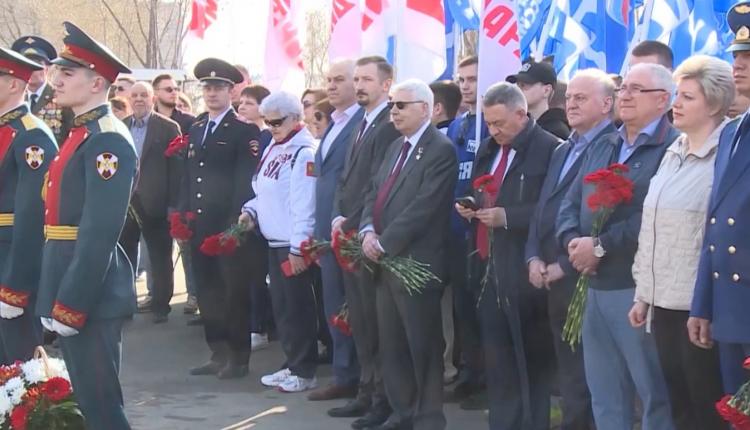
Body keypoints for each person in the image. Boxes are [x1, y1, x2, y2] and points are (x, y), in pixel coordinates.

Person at [556, 63, 679, 430]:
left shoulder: (670, 147)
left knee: (652, 391)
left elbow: (652, 216)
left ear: (662, 101)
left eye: (634, 89)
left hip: (634, 285)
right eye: (623, 87)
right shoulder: (605, 142)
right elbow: (570, 200)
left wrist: (601, 246)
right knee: (604, 391)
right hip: (592, 283)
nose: (624, 95)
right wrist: (573, 243)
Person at [35, 21, 136, 430]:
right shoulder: (81, 131)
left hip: (90, 291)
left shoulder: (106, 138)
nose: (55, 80)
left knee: (102, 408)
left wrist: (71, 303)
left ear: (97, 84)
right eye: (57, 71)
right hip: (68, 277)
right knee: (89, 402)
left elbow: (99, 231)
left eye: (68, 73)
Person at [627, 55, 734, 430]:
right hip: (662, 302)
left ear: (716, 104)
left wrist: (703, 305)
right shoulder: (673, 153)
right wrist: (644, 293)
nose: (677, 104)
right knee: (680, 407)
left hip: (698, 308)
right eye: (677, 95)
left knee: (708, 409)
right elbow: (652, 227)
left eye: (688, 97)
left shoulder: (727, 159)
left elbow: (714, 238)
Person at [455, 82, 557, 430]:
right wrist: (471, 204)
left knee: (529, 363)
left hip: (524, 271)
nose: (494, 131)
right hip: (487, 267)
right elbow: (481, 187)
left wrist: (508, 217)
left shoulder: (548, 149)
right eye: (489, 124)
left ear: (521, 113)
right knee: (497, 361)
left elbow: (552, 210)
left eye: (500, 123)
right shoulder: (489, 147)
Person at [360, 79, 457, 430]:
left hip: (417, 262)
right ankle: (403, 413)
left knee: (423, 345)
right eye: (391, 105)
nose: (394, 111)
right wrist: (367, 231)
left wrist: (385, 242)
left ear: (426, 109)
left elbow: (425, 207)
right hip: (385, 263)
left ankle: (429, 417)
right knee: (393, 344)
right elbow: (374, 192)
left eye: (402, 105)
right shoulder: (394, 147)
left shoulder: (439, 149)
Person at [526, 68, 616, 430]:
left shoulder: (611, 146)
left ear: (607, 103)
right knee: (568, 372)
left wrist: (565, 263)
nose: (571, 104)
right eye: (570, 97)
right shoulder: (565, 149)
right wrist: (533, 255)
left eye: (581, 98)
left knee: (591, 374)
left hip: (584, 275)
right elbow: (544, 207)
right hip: (552, 275)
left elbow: (602, 217)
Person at [180, 58, 265, 380]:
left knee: (233, 293)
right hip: (201, 224)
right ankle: (217, 351)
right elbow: (190, 174)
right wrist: (184, 212)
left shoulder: (243, 130)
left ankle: (238, 357)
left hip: (229, 225)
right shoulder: (198, 127)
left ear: (231, 92)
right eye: (207, 87)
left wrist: (234, 225)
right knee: (207, 291)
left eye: (219, 88)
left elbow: (246, 181)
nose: (212, 93)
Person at [328, 55, 400, 429]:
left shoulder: (388, 125)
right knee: (359, 318)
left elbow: (377, 183)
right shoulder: (360, 123)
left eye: (367, 80)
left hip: (368, 235)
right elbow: (346, 177)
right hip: (349, 232)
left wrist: (352, 219)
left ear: (386, 85)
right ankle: (365, 391)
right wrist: (339, 214)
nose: (359, 86)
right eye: (356, 79)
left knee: (375, 323)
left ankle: (382, 399)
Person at [689, 1, 750, 397]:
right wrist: (703, 304)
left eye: (749, 56)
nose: (739, 63)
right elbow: (717, 222)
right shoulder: (731, 132)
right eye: (737, 54)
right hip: (731, 308)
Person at [240, 91, 319, 393]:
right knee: (283, 308)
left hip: (290, 242)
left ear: (296, 118)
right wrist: (251, 210)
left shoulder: (304, 152)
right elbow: (264, 190)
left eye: (278, 121)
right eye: (268, 121)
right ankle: (291, 362)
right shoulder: (274, 146)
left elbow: (304, 203)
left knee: (298, 307)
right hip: (272, 239)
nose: (272, 127)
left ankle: (304, 369)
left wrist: (300, 247)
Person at [309, 58, 364, 402]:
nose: (331, 85)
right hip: (326, 233)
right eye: (328, 79)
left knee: (354, 307)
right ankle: (344, 373)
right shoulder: (334, 123)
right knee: (334, 305)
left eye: (339, 79)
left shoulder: (363, 122)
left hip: (349, 230)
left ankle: (358, 377)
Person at [0, 48, 58, 364]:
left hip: (9, 261)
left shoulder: (31, 135)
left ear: (13, 84)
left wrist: (15, 285)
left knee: (18, 365)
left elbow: (31, 216)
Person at [445, 55, 489, 409]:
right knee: (462, 308)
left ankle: (485, 378)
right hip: (455, 229)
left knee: (482, 307)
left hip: (484, 231)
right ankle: (467, 371)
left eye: (473, 79)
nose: (466, 85)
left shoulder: (490, 123)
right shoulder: (460, 123)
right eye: (462, 79)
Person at [118, 82, 182, 324]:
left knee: (159, 256)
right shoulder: (121, 126)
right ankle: (125, 304)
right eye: (134, 95)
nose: (138, 99)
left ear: (152, 98)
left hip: (156, 202)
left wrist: (173, 206)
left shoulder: (168, 128)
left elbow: (177, 170)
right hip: (126, 202)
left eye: (143, 95)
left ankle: (161, 306)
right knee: (124, 257)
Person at [429, 78, 462, 385]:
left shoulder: (447, 140)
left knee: (446, 308)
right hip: (434, 238)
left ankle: (447, 365)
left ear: (435, 107)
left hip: (449, 235)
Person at [236, 83, 273, 350]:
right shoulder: (242, 134)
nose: (242, 106)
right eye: (242, 102)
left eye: (249, 103)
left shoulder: (268, 137)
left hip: (263, 214)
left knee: (259, 273)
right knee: (248, 272)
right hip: (246, 210)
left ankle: (260, 326)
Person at [11, 36, 73, 144]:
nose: (31, 70)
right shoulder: (14, 99)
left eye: (37, 65)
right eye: (25, 65)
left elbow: (70, 136)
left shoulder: (61, 96)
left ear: (47, 67)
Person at [507, 60, 571, 139]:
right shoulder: (515, 126)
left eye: (524, 85)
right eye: (518, 85)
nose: (518, 90)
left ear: (546, 90)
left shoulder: (557, 132)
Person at [237, 85, 272, 150]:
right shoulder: (233, 132)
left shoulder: (268, 135)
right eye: (241, 103)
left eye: (249, 103)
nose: (242, 107)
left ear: (263, 107)